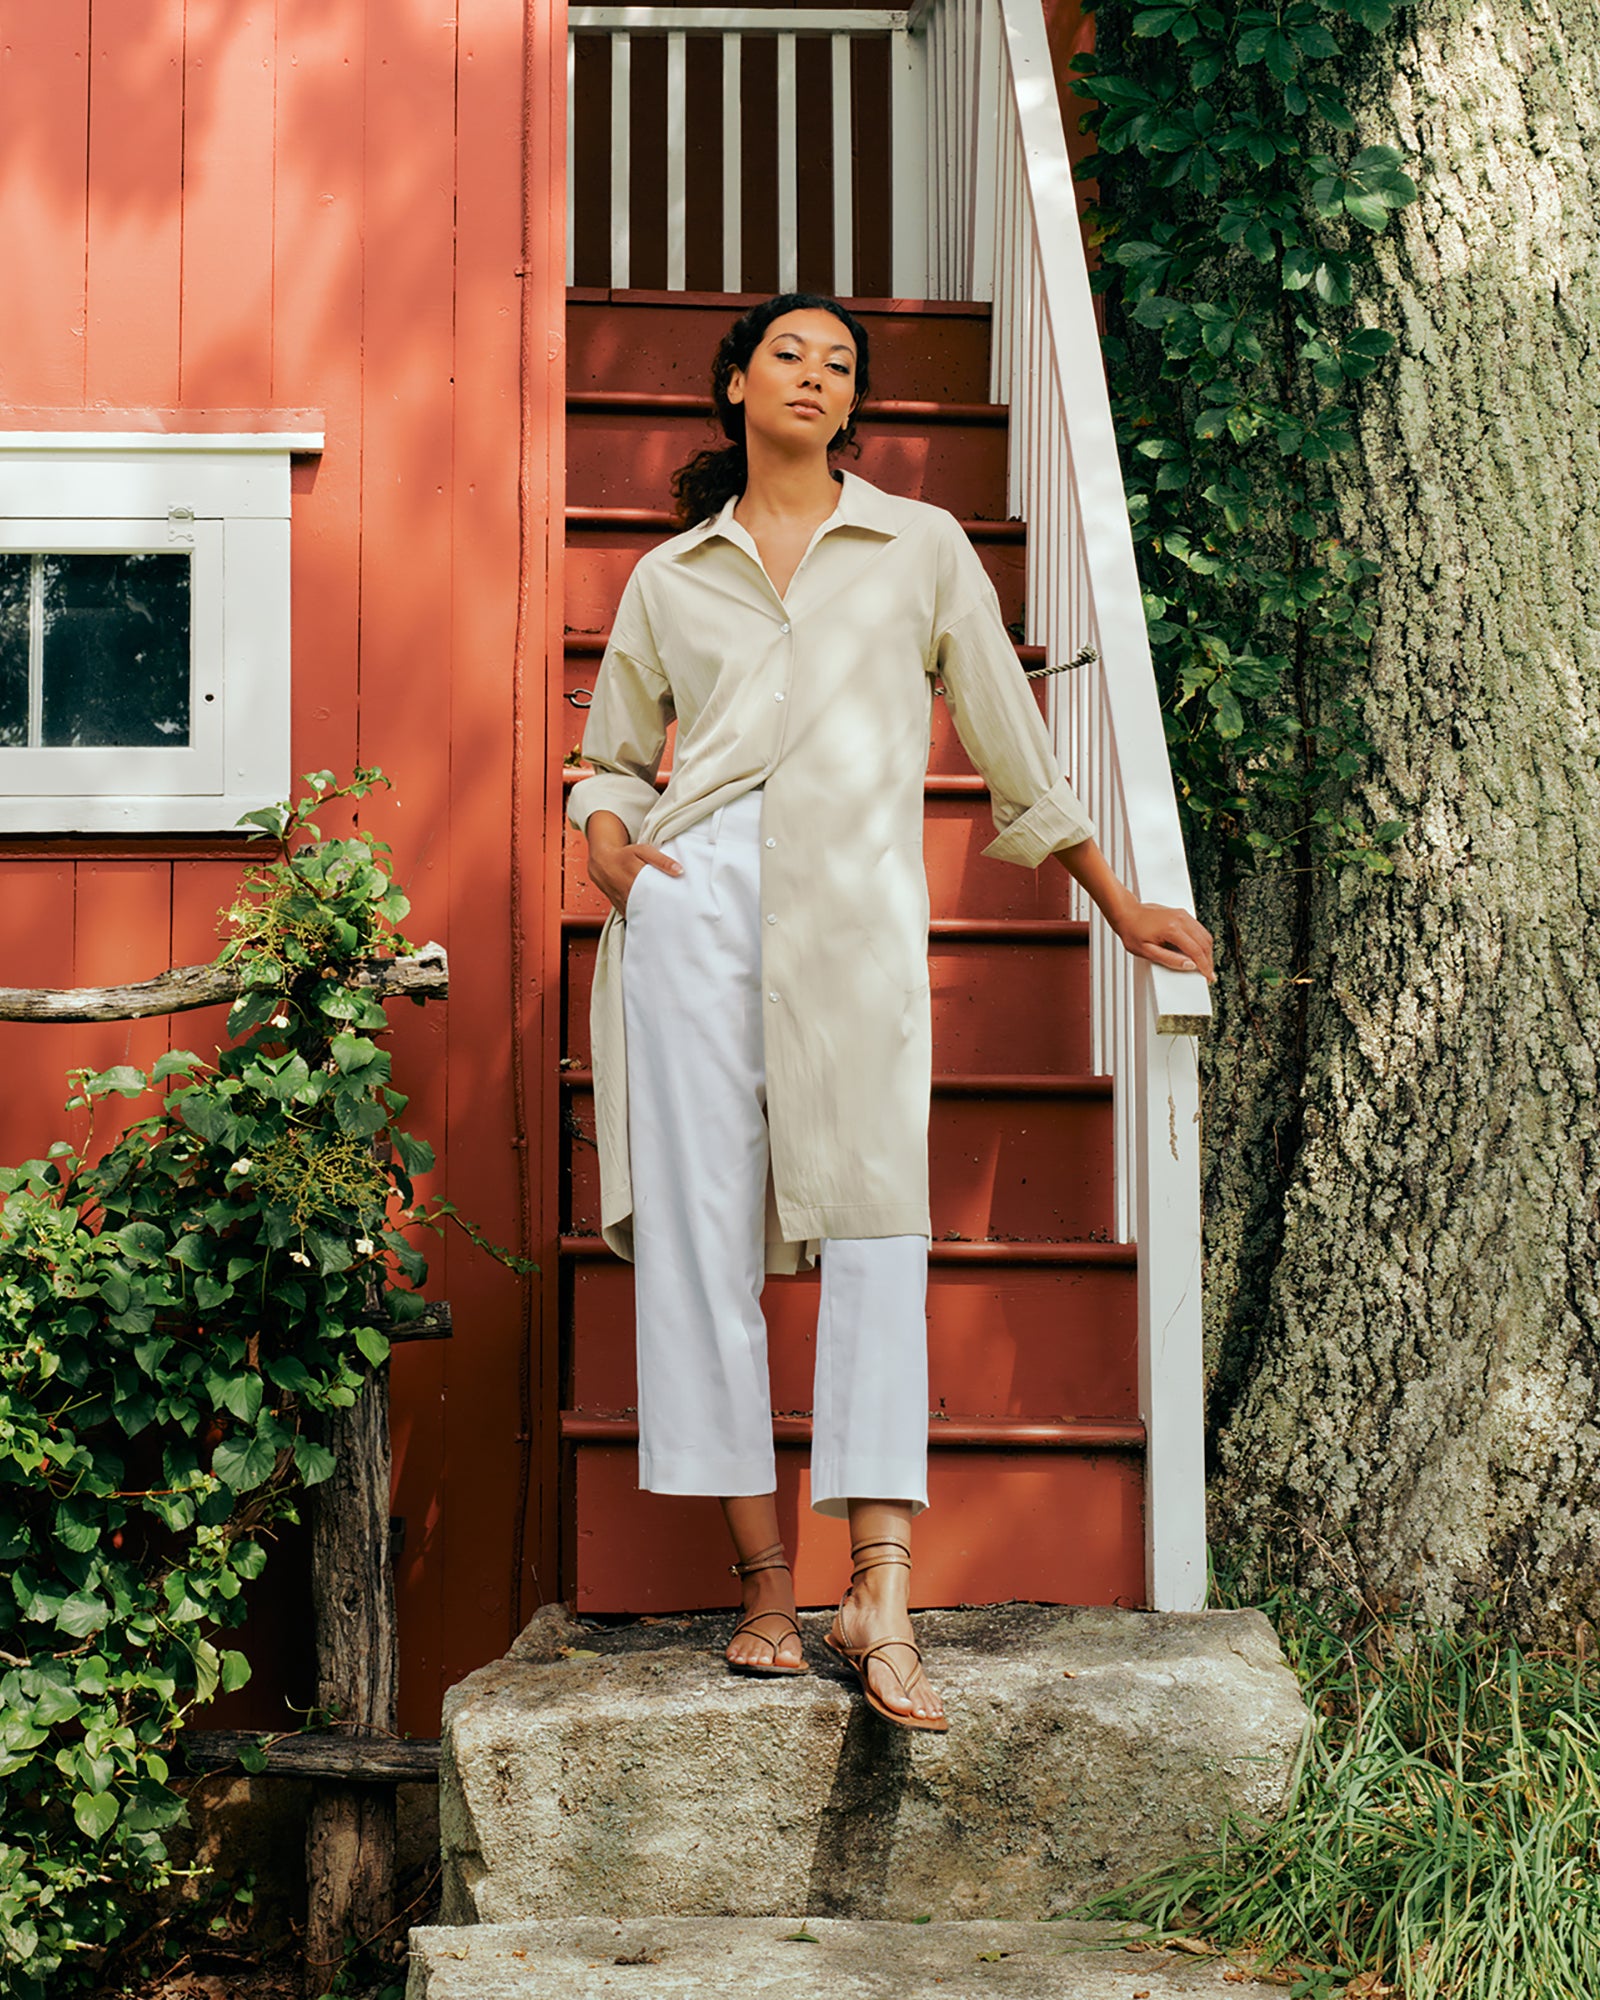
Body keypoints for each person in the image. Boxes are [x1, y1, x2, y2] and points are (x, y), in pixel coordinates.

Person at [567, 292, 1215, 1734]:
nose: (816, 375)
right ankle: (758, 1587)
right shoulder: (673, 576)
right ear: (736, 385)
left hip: (856, 934)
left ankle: (879, 1588)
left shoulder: (919, 546)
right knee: (697, 1243)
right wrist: (611, 847)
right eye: (789, 353)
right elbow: (609, 761)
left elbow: (1008, 735)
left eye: (840, 364)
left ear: (855, 405)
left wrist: (1116, 901)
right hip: (691, 918)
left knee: (876, 1237)